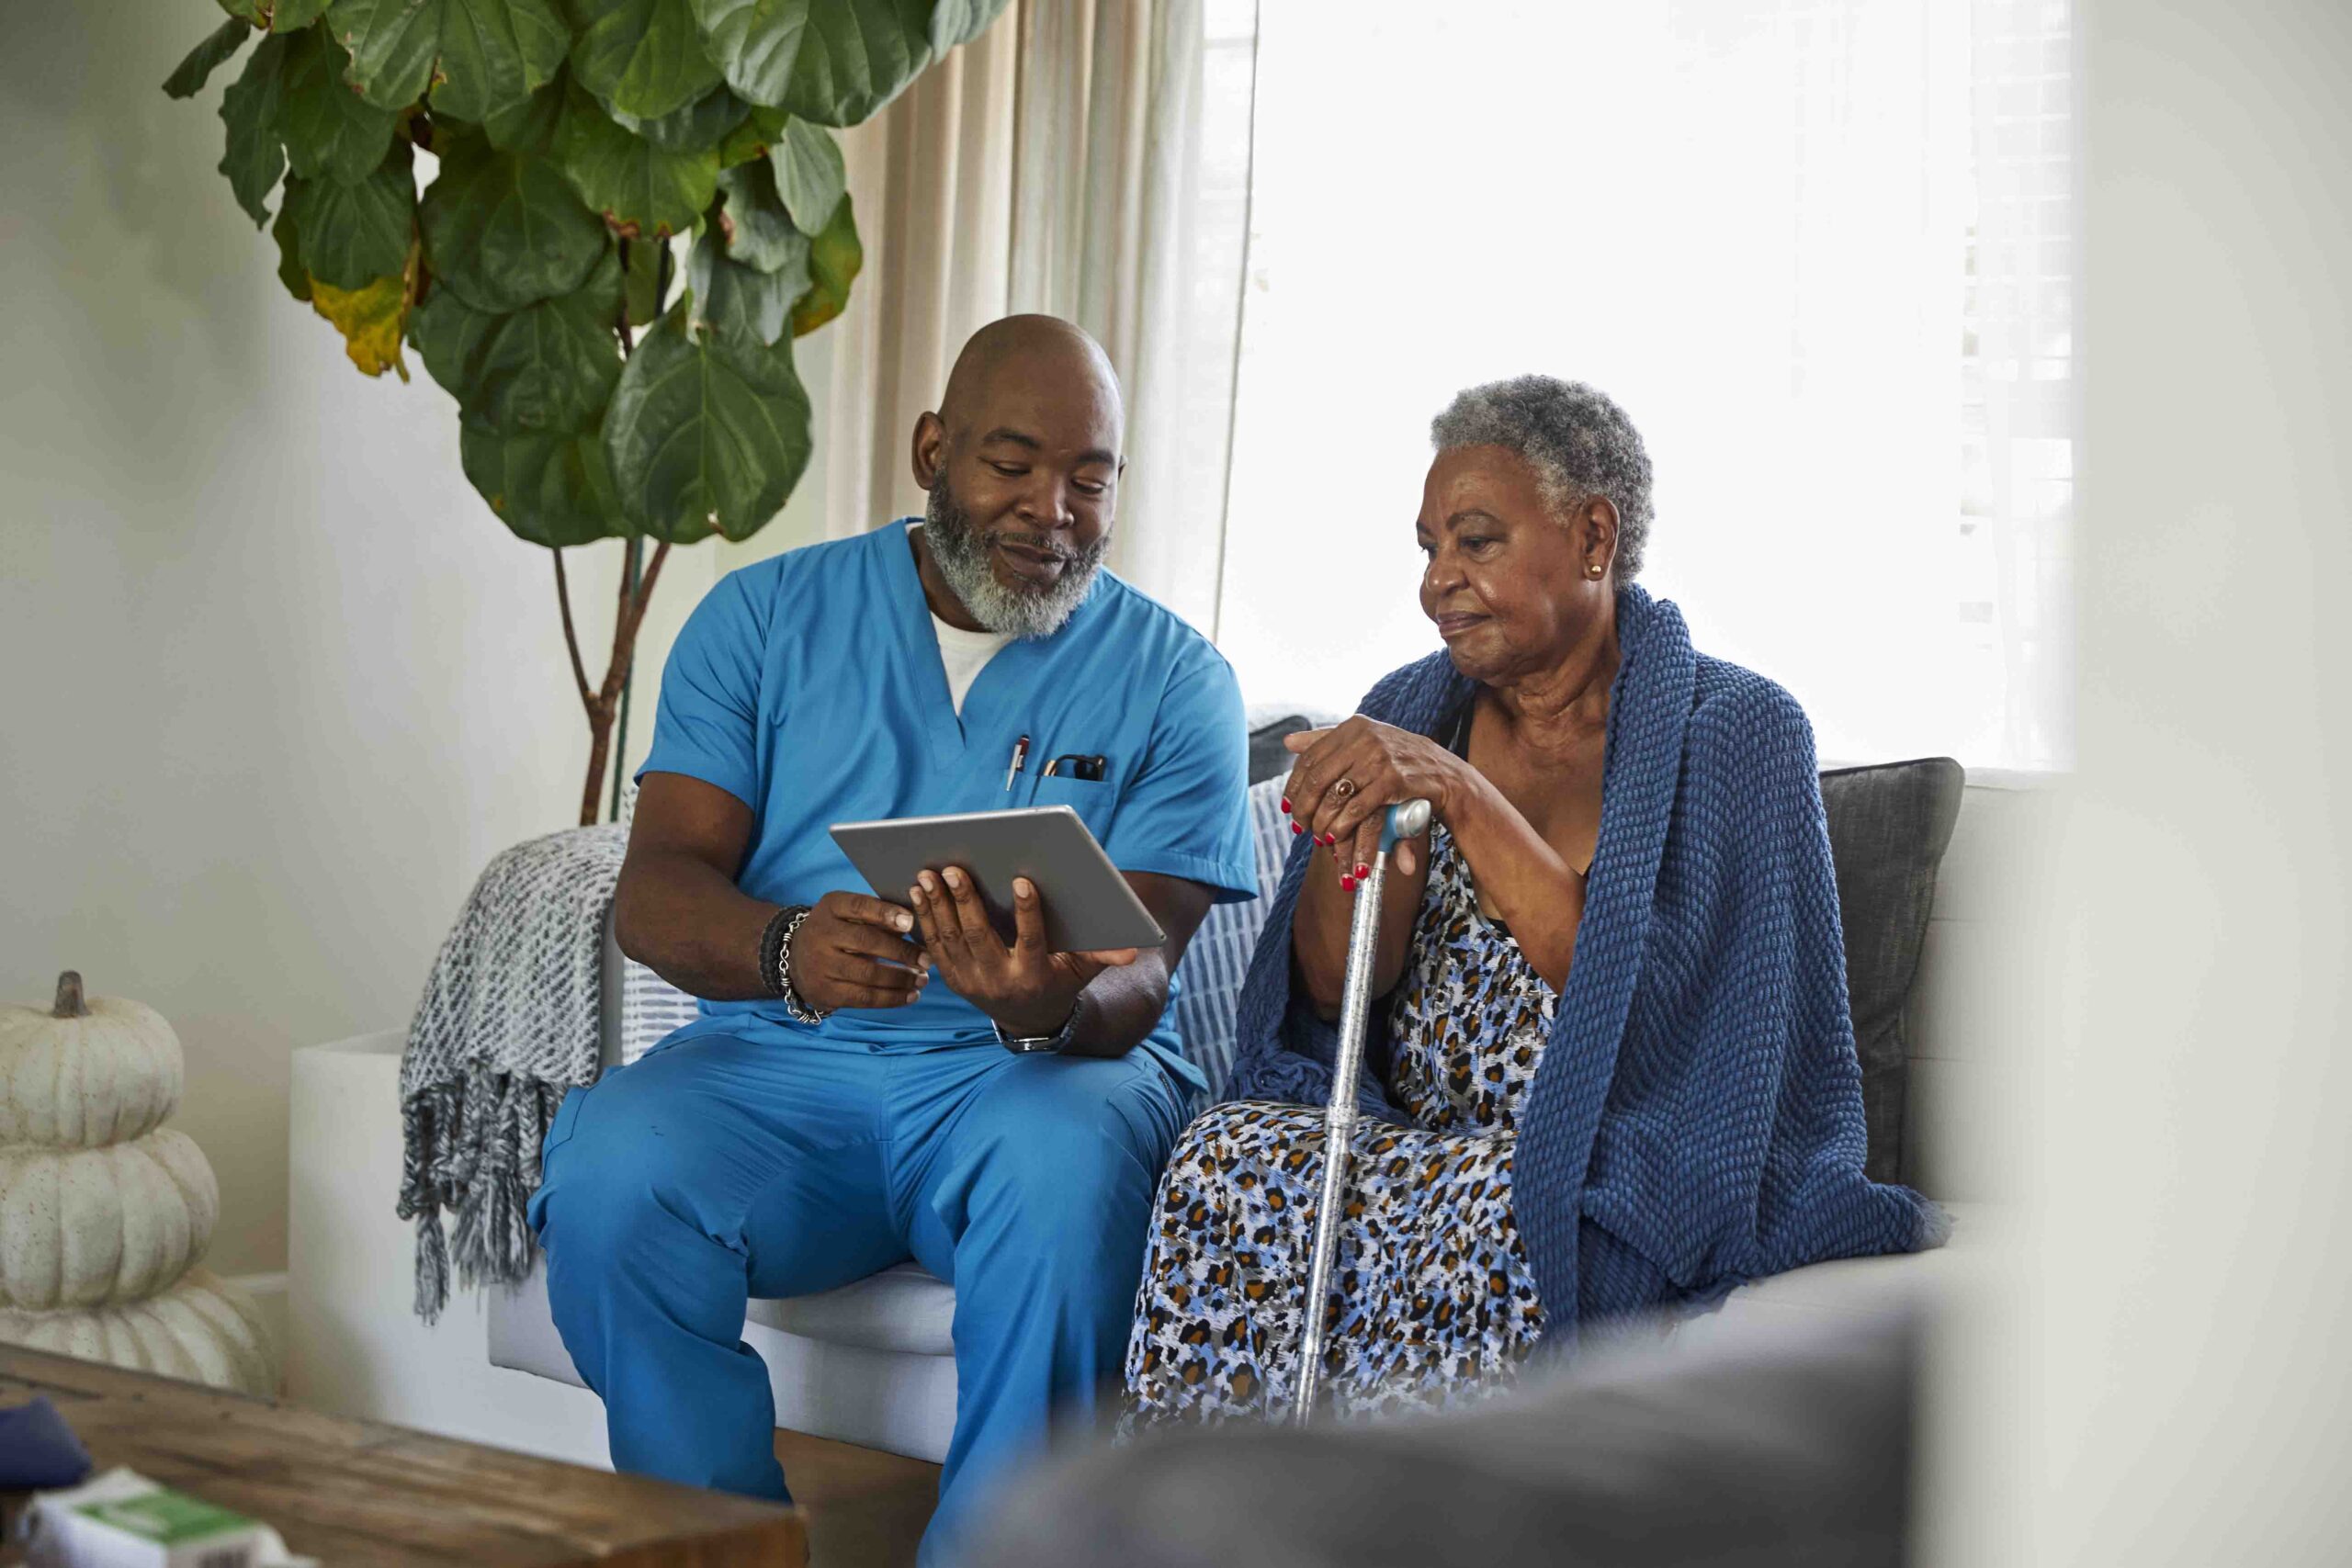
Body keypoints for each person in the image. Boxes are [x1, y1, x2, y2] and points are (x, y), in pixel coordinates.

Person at [528, 315, 1256, 1562]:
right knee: (610, 1168)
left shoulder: (1176, 677)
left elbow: (1143, 966)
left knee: (1064, 1170)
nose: (1053, 509)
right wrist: (783, 949)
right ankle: (721, 1542)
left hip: (1034, 1075)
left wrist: (1044, 1005)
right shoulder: (762, 619)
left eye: (1091, 476)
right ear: (933, 448)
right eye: (1012, 463)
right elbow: (655, 889)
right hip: (786, 1065)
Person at [1123, 375, 1944, 1425]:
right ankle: (1204, 1526)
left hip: (1611, 1144)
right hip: (1405, 1131)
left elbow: (1653, 1019)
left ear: (1593, 536)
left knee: (1508, 1208)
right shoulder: (1412, 708)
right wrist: (1359, 851)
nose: (1438, 582)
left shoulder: (1734, 730)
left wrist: (1459, 794)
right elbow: (1331, 999)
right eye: (1427, 548)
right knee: (1220, 1158)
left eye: (1475, 542)